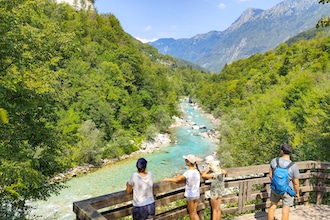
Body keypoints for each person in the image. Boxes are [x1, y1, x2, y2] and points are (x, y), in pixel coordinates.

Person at [163, 154, 201, 220]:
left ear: (188, 162)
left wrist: (166, 179)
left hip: (190, 195)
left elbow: (177, 180)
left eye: (186, 160)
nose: (185, 161)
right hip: (196, 194)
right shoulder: (197, 171)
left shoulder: (188, 172)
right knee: (195, 213)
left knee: (192, 214)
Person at [268, 144, 300, 220]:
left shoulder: (274, 161)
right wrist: (297, 193)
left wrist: (276, 184)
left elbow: (270, 175)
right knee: (285, 211)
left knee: (272, 207)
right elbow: (296, 182)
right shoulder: (293, 166)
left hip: (275, 189)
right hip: (287, 191)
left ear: (282, 151)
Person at [201, 155, 227, 220]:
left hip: (214, 193)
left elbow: (203, 175)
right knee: (218, 209)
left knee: (214, 210)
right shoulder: (221, 172)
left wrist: (207, 170)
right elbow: (226, 171)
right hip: (220, 191)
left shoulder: (213, 174)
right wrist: (218, 168)